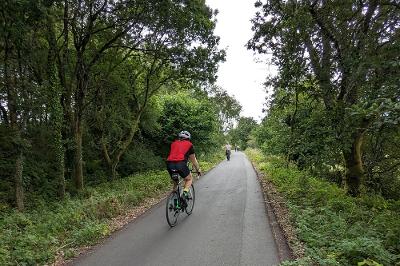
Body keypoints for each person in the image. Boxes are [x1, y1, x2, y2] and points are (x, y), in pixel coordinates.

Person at [166, 130, 201, 201]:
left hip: (169, 164)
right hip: (180, 164)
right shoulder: (189, 145)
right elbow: (193, 160)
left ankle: (175, 201)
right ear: (188, 138)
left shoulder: (173, 143)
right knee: (189, 179)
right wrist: (198, 169)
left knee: (175, 183)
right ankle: (185, 194)